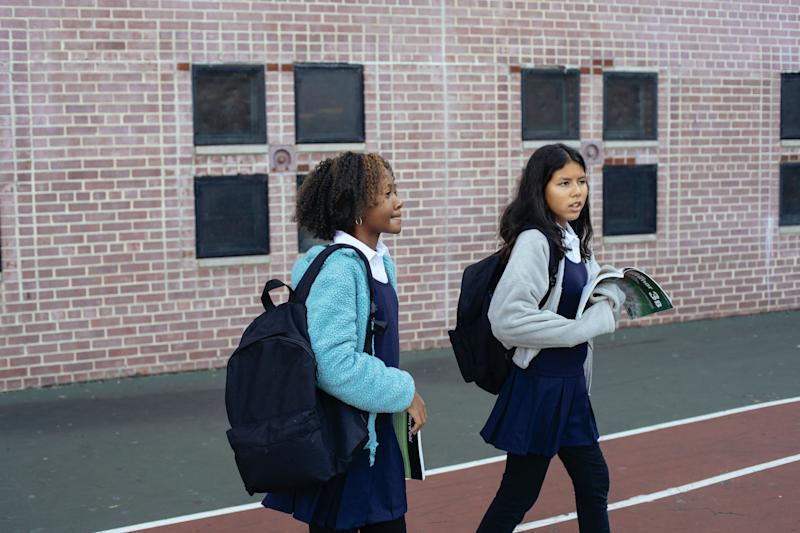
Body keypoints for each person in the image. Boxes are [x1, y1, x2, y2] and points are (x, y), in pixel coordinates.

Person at [264, 151, 427, 533]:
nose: (398, 202)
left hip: (370, 438)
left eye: (395, 191)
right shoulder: (341, 270)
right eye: (387, 194)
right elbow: (333, 365)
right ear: (356, 208)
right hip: (344, 445)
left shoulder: (377, 263)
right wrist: (404, 390)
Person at [477, 144, 625, 533]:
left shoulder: (572, 238)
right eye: (564, 183)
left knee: (594, 482)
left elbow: (587, 292)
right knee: (518, 496)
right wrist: (582, 329)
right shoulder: (535, 241)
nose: (577, 192)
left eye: (581, 182)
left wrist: (611, 291)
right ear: (540, 189)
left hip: (571, 388)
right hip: (540, 387)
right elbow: (506, 319)